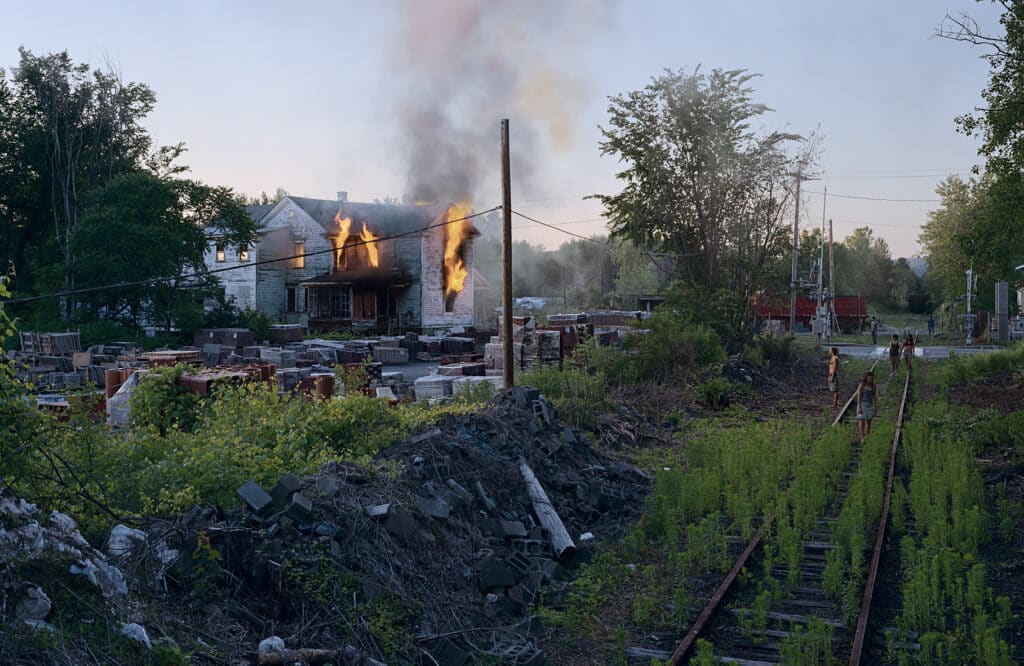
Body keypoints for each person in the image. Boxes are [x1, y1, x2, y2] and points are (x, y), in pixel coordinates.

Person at [855, 371, 878, 440]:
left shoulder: (873, 386)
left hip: (870, 404)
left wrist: (875, 406)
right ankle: (862, 437)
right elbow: (859, 395)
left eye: (872, 379)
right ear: (866, 378)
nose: (870, 380)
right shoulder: (862, 385)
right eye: (869, 378)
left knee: (869, 421)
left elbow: (874, 396)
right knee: (861, 420)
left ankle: (867, 435)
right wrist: (859, 406)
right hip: (862, 404)